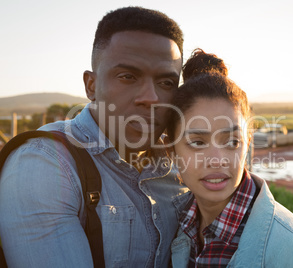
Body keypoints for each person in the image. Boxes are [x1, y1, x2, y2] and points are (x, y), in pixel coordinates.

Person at [0, 7, 187, 267]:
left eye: (166, 83)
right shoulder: (44, 163)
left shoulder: (182, 165)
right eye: (128, 77)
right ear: (91, 86)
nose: (151, 98)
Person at [167, 49, 293, 267]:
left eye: (232, 142)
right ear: (171, 152)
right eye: (198, 143)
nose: (218, 160)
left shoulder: (292, 251)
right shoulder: (172, 225)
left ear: (248, 143)